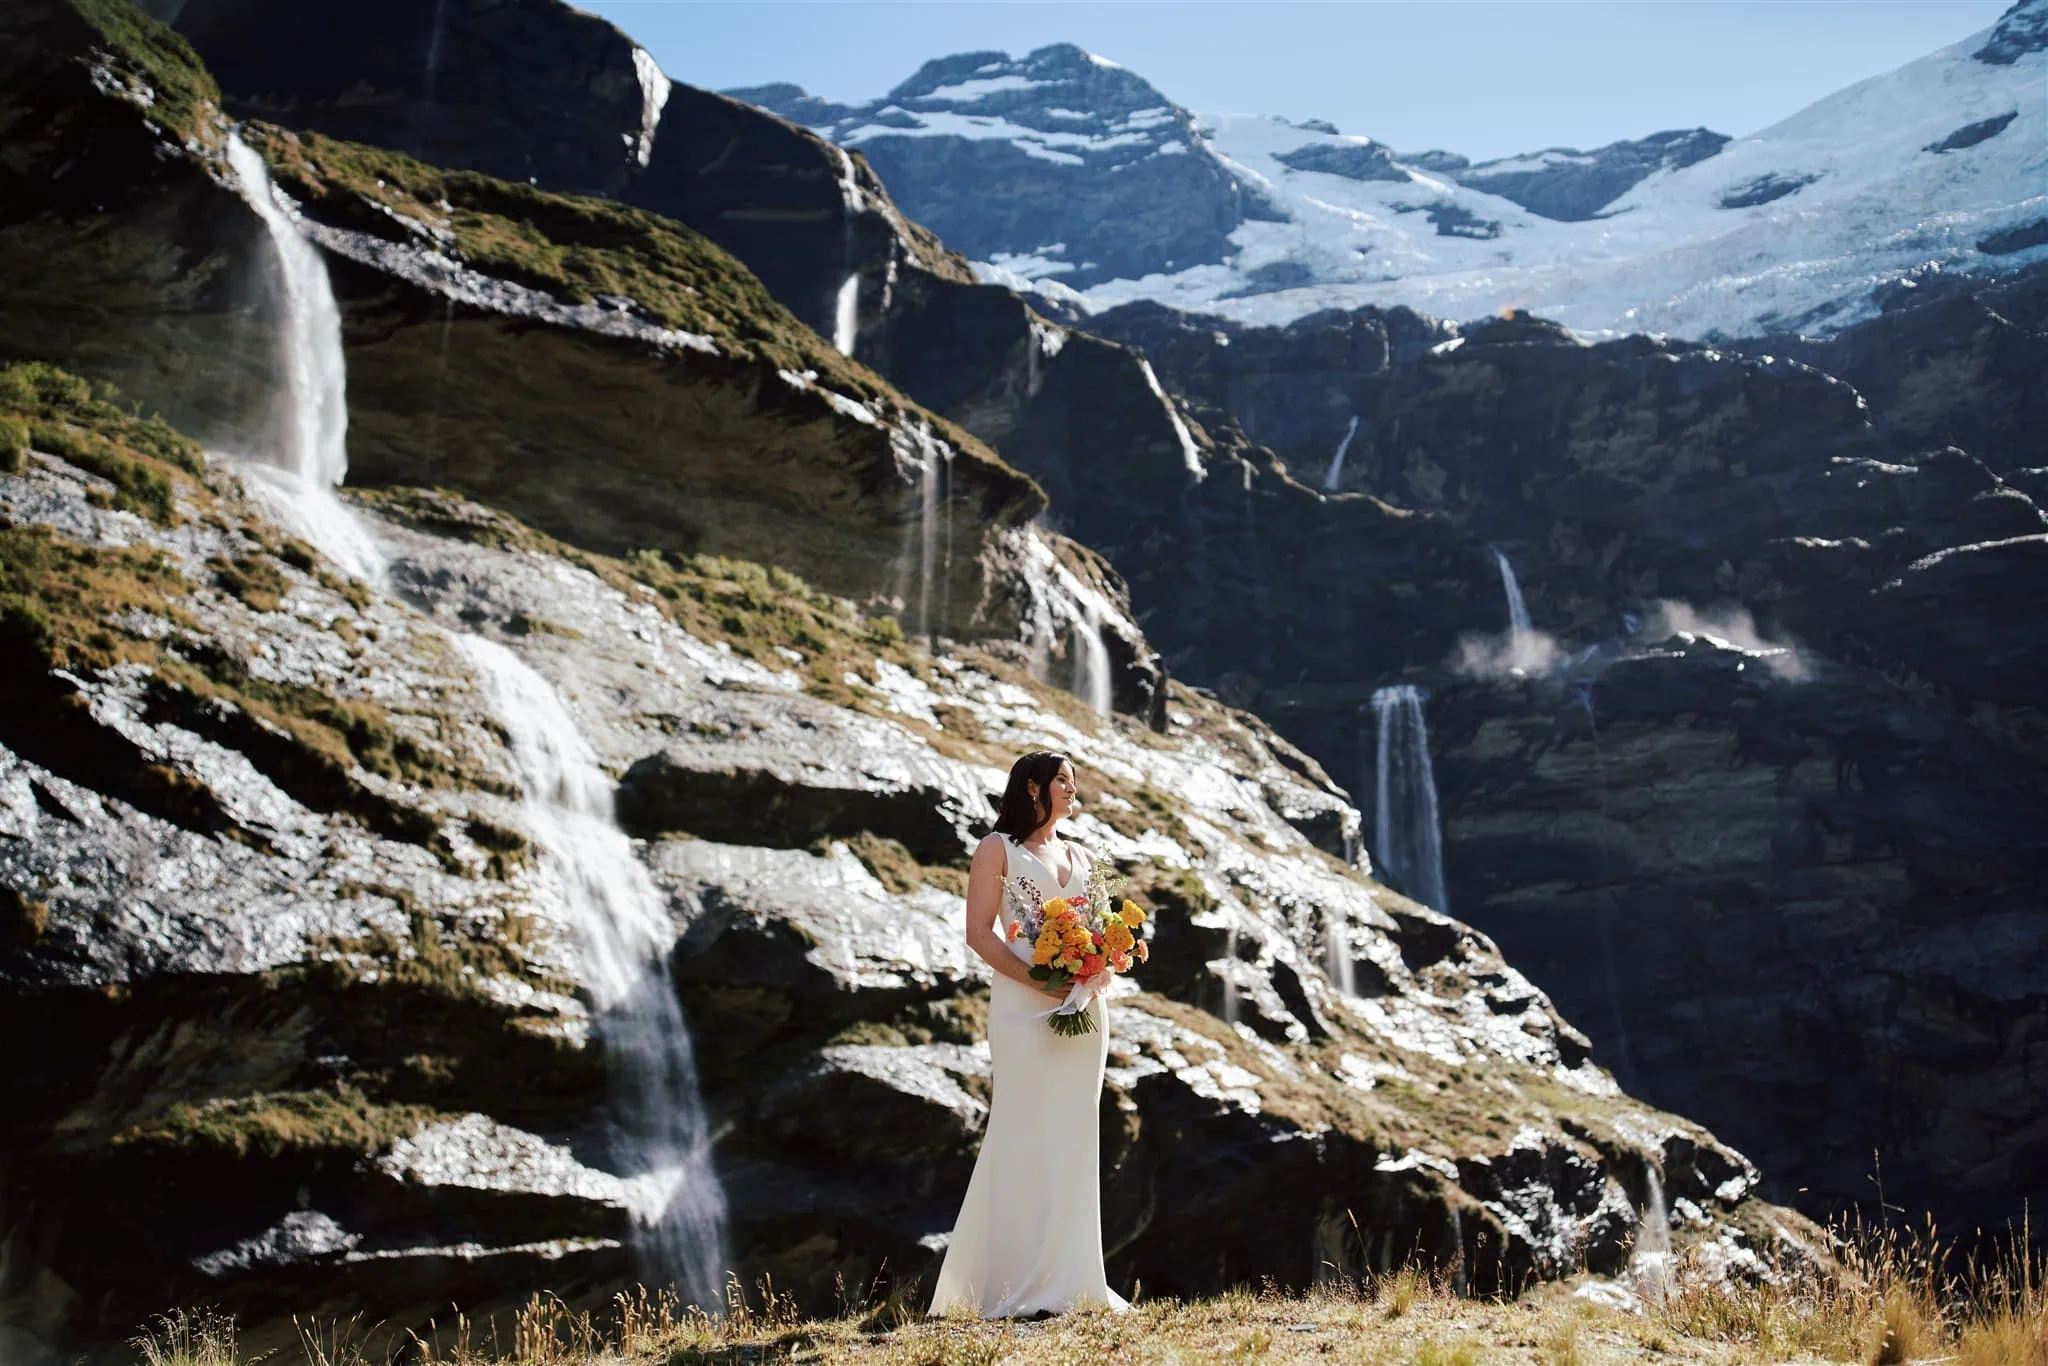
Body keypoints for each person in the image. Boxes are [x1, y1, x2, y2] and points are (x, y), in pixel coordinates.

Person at [927, 751, 1130, 1318]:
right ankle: (1003, 1283)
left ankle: (1072, 1278)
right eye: (1064, 780)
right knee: (1021, 1128)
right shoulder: (999, 850)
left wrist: (1101, 965)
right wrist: (1036, 980)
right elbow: (979, 933)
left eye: (1074, 781)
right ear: (1035, 789)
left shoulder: (1082, 855)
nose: (1073, 789)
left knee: (1074, 1133)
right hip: (1022, 1006)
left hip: (1083, 1009)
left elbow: (1103, 926)